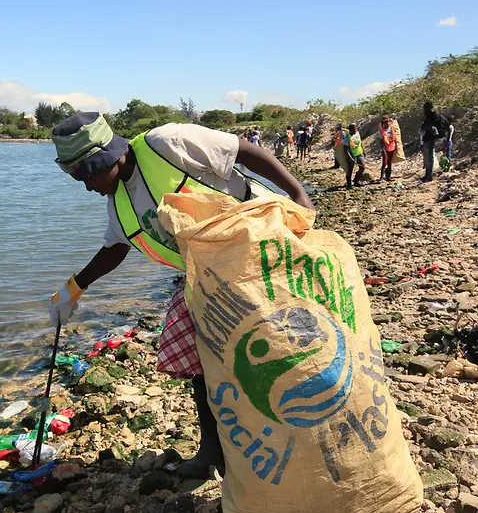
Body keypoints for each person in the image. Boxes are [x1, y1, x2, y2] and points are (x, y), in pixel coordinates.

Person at [49, 113, 313, 479]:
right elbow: (114, 249)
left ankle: (302, 432)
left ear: (105, 159)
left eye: (86, 175)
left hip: (263, 243)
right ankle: (212, 451)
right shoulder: (119, 205)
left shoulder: (168, 143)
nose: (87, 187)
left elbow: (244, 152)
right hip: (210, 275)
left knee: (284, 343)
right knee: (199, 356)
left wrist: (298, 195)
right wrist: (71, 290)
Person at [419, 101, 449, 183]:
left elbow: (426, 126)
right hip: (429, 138)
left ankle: (429, 176)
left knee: (429, 158)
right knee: (428, 158)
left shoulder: (433, 116)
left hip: (431, 138)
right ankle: (428, 175)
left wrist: (425, 126)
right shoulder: (431, 116)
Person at [342, 123, 366, 188]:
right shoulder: (347, 138)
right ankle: (349, 184)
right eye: (353, 129)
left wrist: (363, 151)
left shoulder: (357, 134)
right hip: (351, 155)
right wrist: (350, 158)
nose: (355, 130)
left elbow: (360, 143)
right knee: (350, 170)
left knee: (362, 167)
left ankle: (356, 181)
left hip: (359, 153)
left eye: (356, 128)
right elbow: (345, 149)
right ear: (350, 130)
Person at [379, 116, 398, 181]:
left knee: (389, 163)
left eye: (387, 122)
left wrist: (396, 147)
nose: (386, 123)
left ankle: (388, 177)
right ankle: (381, 178)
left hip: (392, 148)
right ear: (382, 123)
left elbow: (395, 138)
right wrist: (383, 150)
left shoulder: (391, 129)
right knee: (384, 163)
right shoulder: (382, 131)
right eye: (384, 122)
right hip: (385, 149)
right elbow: (381, 142)